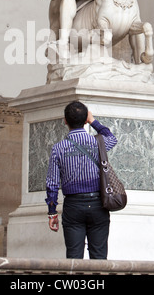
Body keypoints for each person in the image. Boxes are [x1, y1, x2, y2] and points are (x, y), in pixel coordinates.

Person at [45, 101, 117, 259]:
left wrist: (52, 213)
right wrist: (93, 121)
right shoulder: (98, 142)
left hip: (73, 206)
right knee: (99, 257)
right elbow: (111, 137)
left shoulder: (58, 148)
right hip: (99, 204)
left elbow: (52, 183)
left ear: (65, 120)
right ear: (85, 119)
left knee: (73, 258)